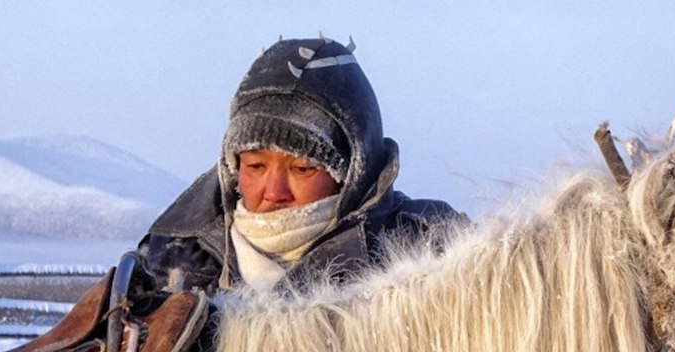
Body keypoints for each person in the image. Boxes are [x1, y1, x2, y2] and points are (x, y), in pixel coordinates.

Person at [138, 35, 464, 294]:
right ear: (232, 167)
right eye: (255, 166)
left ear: (353, 172)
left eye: (302, 169)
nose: (274, 192)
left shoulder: (431, 248)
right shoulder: (170, 258)